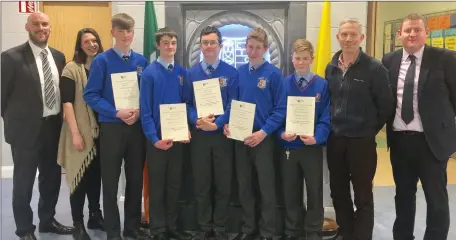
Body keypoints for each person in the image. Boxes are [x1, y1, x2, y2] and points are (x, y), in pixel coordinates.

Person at [381, 13, 456, 240]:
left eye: (417, 30)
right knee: (403, 196)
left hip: (431, 143)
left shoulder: (446, 59)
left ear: (426, 33)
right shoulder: (389, 61)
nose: (412, 34)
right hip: (401, 141)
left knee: (437, 200)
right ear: (399, 34)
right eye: (408, 30)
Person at [1, 12, 74, 240]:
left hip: (53, 128)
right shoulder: (11, 57)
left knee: (51, 179)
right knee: (23, 183)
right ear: (27, 27)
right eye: (36, 24)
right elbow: (2, 97)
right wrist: (15, 124)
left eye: (45, 24)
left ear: (50, 28)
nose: (41, 27)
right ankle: (24, 229)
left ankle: (47, 220)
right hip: (25, 133)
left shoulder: (59, 56)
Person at [324, 18, 393, 240]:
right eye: (344, 34)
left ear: (361, 38)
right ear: (338, 37)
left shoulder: (375, 68)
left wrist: (368, 129)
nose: (348, 39)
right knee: (339, 192)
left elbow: (386, 105)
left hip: (361, 142)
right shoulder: (331, 67)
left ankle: (361, 236)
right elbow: (329, 101)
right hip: (336, 140)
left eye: (353, 34)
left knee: (363, 195)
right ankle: (346, 233)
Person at [83, 13, 149, 240]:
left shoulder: (142, 61)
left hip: (136, 128)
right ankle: (113, 232)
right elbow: (90, 95)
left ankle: (132, 228)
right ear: (112, 33)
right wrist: (115, 112)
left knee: (135, 181)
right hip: (111, 128)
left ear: (133, 33)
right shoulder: (101, 61)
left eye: (129, 31)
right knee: (110, 182)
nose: (125, 36)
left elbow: (148, 94)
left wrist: (139, 110)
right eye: (120, 31)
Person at [224, 27, 286, 240]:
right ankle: (248, 228)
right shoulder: (238, 73)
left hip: (263, 139)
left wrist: (263, 132)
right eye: (250, 47)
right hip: (240, 138)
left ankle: (267, 231)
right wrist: (228, 124)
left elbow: (280, 110)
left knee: (266, 187)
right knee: (244, 186)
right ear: (245, 47)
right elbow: (232, 103)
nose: (253, 51)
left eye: (258, 48)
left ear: (265, 49)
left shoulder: (274, 75)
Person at [182, 26, 238, 240]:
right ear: (200, 45)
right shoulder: (191, 73)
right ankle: (205, 226)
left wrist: (218, 123)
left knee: (223, 184)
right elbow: (186, 103)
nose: (208, 46)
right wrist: (197, 119)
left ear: (220, 46)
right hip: (199, 137)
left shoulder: (230, 72)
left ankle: (221, 227)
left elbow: (234, 103)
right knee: (202, 184)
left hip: (222, 136)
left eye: (212, 42)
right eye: (205, 42)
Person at [140, 27, 192, 240]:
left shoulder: (182, 73)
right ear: (158, 45)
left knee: (174, 185)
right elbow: (145, 110)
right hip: (157, 142)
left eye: (173, 43)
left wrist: (187, 128)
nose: (170, 47)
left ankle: (172, 226)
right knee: (158, 186)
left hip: (178, 140)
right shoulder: (149, 73)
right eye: (165, 43)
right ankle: (158, 229)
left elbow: (186, 104)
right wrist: (154, 139)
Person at [278, 39, 330, 240]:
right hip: (289, 146)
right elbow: (278, 112)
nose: (301, 62)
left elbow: (326, 116)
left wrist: (317, 137)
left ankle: (313, 231)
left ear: (312, 59)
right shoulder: (284, 83)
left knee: (314, 191)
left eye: (305, 59)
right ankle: (292, 230)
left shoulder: (321, 84)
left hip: (311, 147)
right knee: (291, 191)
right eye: (297, 58)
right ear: (292, 59)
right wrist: (281, 133)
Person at [57, 28, 105, 239]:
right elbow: (67, 103)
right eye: (87, 41)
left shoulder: (103, 66)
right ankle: (78, 222)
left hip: (103, 132)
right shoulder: (71, 69)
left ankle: (95, 214)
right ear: (79, 45)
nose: (92, 44)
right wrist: (76, 134)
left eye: (95, 40)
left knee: (96, 178)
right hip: (80, 131)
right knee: (79, 177)